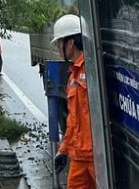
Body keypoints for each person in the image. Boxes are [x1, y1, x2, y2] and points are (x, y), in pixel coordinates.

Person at [51, 14, 95, 189]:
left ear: (70, 43)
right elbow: (73, 120)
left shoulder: (92, 69)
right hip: (78, 156)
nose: (58, 48)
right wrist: (63, 150)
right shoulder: (73, 75)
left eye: (59, 43)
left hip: (94, 156)